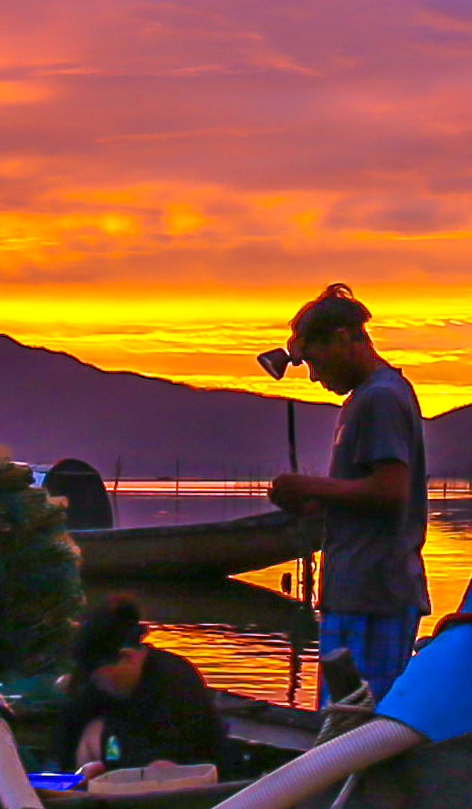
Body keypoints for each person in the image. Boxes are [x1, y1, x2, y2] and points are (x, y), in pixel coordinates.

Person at [257, 282, 427, 702]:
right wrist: (317, 501)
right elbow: (366, 495)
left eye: (314, 361)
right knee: (346, 721)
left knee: (358, 726)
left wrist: (308, 484)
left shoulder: (381, 399)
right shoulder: (366, 398)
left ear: (342, 339)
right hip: (359, 586)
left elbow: (391, 491)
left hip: (374, 592)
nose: (313, 376)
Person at [59, 595, 238, 773]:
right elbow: (71, 725)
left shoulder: (175, 683)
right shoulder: (106, 684)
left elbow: (175, 754)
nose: (97, 685)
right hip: (119, 764)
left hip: (182, 770)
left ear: (126, 657)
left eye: (97, 678)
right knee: (91, 730)